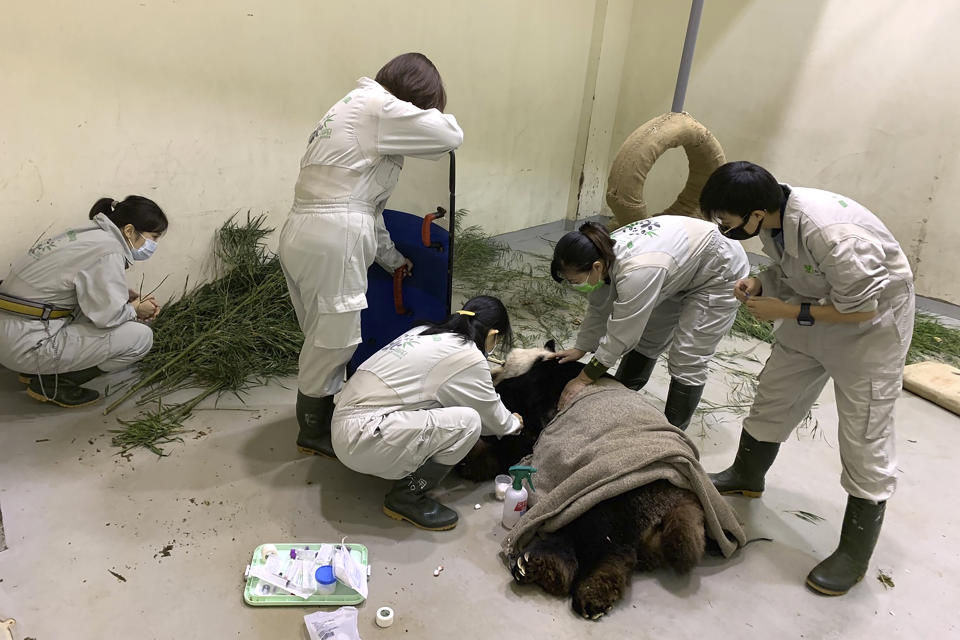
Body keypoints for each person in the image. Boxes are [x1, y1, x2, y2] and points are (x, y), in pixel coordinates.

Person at [699, 161, 915, 596]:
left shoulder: (833, 235)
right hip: (815, 307)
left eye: (727, 219)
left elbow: (863, 308)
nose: (724, 226)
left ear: (758, 212)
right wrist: (761, 281)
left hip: (869, 331)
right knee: (774, 395)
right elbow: (798, 271)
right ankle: (747, 474)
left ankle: (854, 553)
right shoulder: (775, 218)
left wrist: (787, 310)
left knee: (864, 435)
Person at [279, 52, 464, 459]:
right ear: (417, 96)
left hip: (305, 230)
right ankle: (314, 429)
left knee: (321, 333)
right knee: (334, 340)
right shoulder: (379, 106)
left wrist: (392, 259)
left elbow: (365, 205)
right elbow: (450, 136)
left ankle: (318, 413)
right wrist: (424, 112)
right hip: (333, 237)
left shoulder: (348, 108)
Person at [330, 296, 523, 531]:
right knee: (469, 423)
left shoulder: (425, 331)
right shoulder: (468, 355)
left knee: (439, 404)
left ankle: (384, 460)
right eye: (497, 340)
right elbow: (493, 419)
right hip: (359, 437)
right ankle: (406, 498)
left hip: (344, 417)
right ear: (492, 334)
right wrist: (514, 423)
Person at [550, 216, 749, 429]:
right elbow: (599, 308)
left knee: (687, 355)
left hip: (718, 267)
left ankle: (673, 431)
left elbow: (622, 335)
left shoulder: (636, 272)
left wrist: (584, 378)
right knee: (649, 336)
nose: (575, 286)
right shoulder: (599, 250)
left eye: (575, 281)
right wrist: (581, 348)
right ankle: (622, 394)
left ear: (596, 266)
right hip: (679, 264)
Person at [0, 196, 166, 407]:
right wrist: (136, 309)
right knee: (140, 338)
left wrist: (120, 294)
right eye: (154, 237)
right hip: (28, 342)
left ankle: (31, 372)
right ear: (130, 230)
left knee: (90, 311)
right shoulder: (109, 249)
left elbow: (70, 283)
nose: (154, 244)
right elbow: (109, 317)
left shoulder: (90, 234)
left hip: (13, 328)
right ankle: (55, 384)